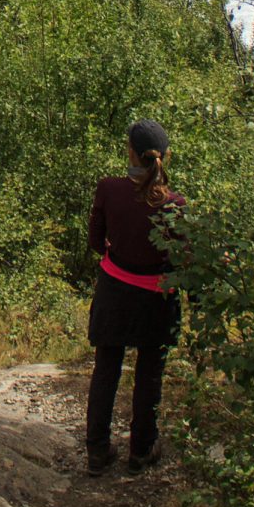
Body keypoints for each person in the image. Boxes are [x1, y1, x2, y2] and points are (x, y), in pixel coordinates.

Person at [85, 118, 185, 474]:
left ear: (130, 152)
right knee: (149, 375)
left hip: (115, 292)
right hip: (155, 300)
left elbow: (96, 241)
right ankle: (141, 450)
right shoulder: (175, 204)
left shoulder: (109, 189)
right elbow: (181, 258)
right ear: (165, 157)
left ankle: (97, 452)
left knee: (106, 370)